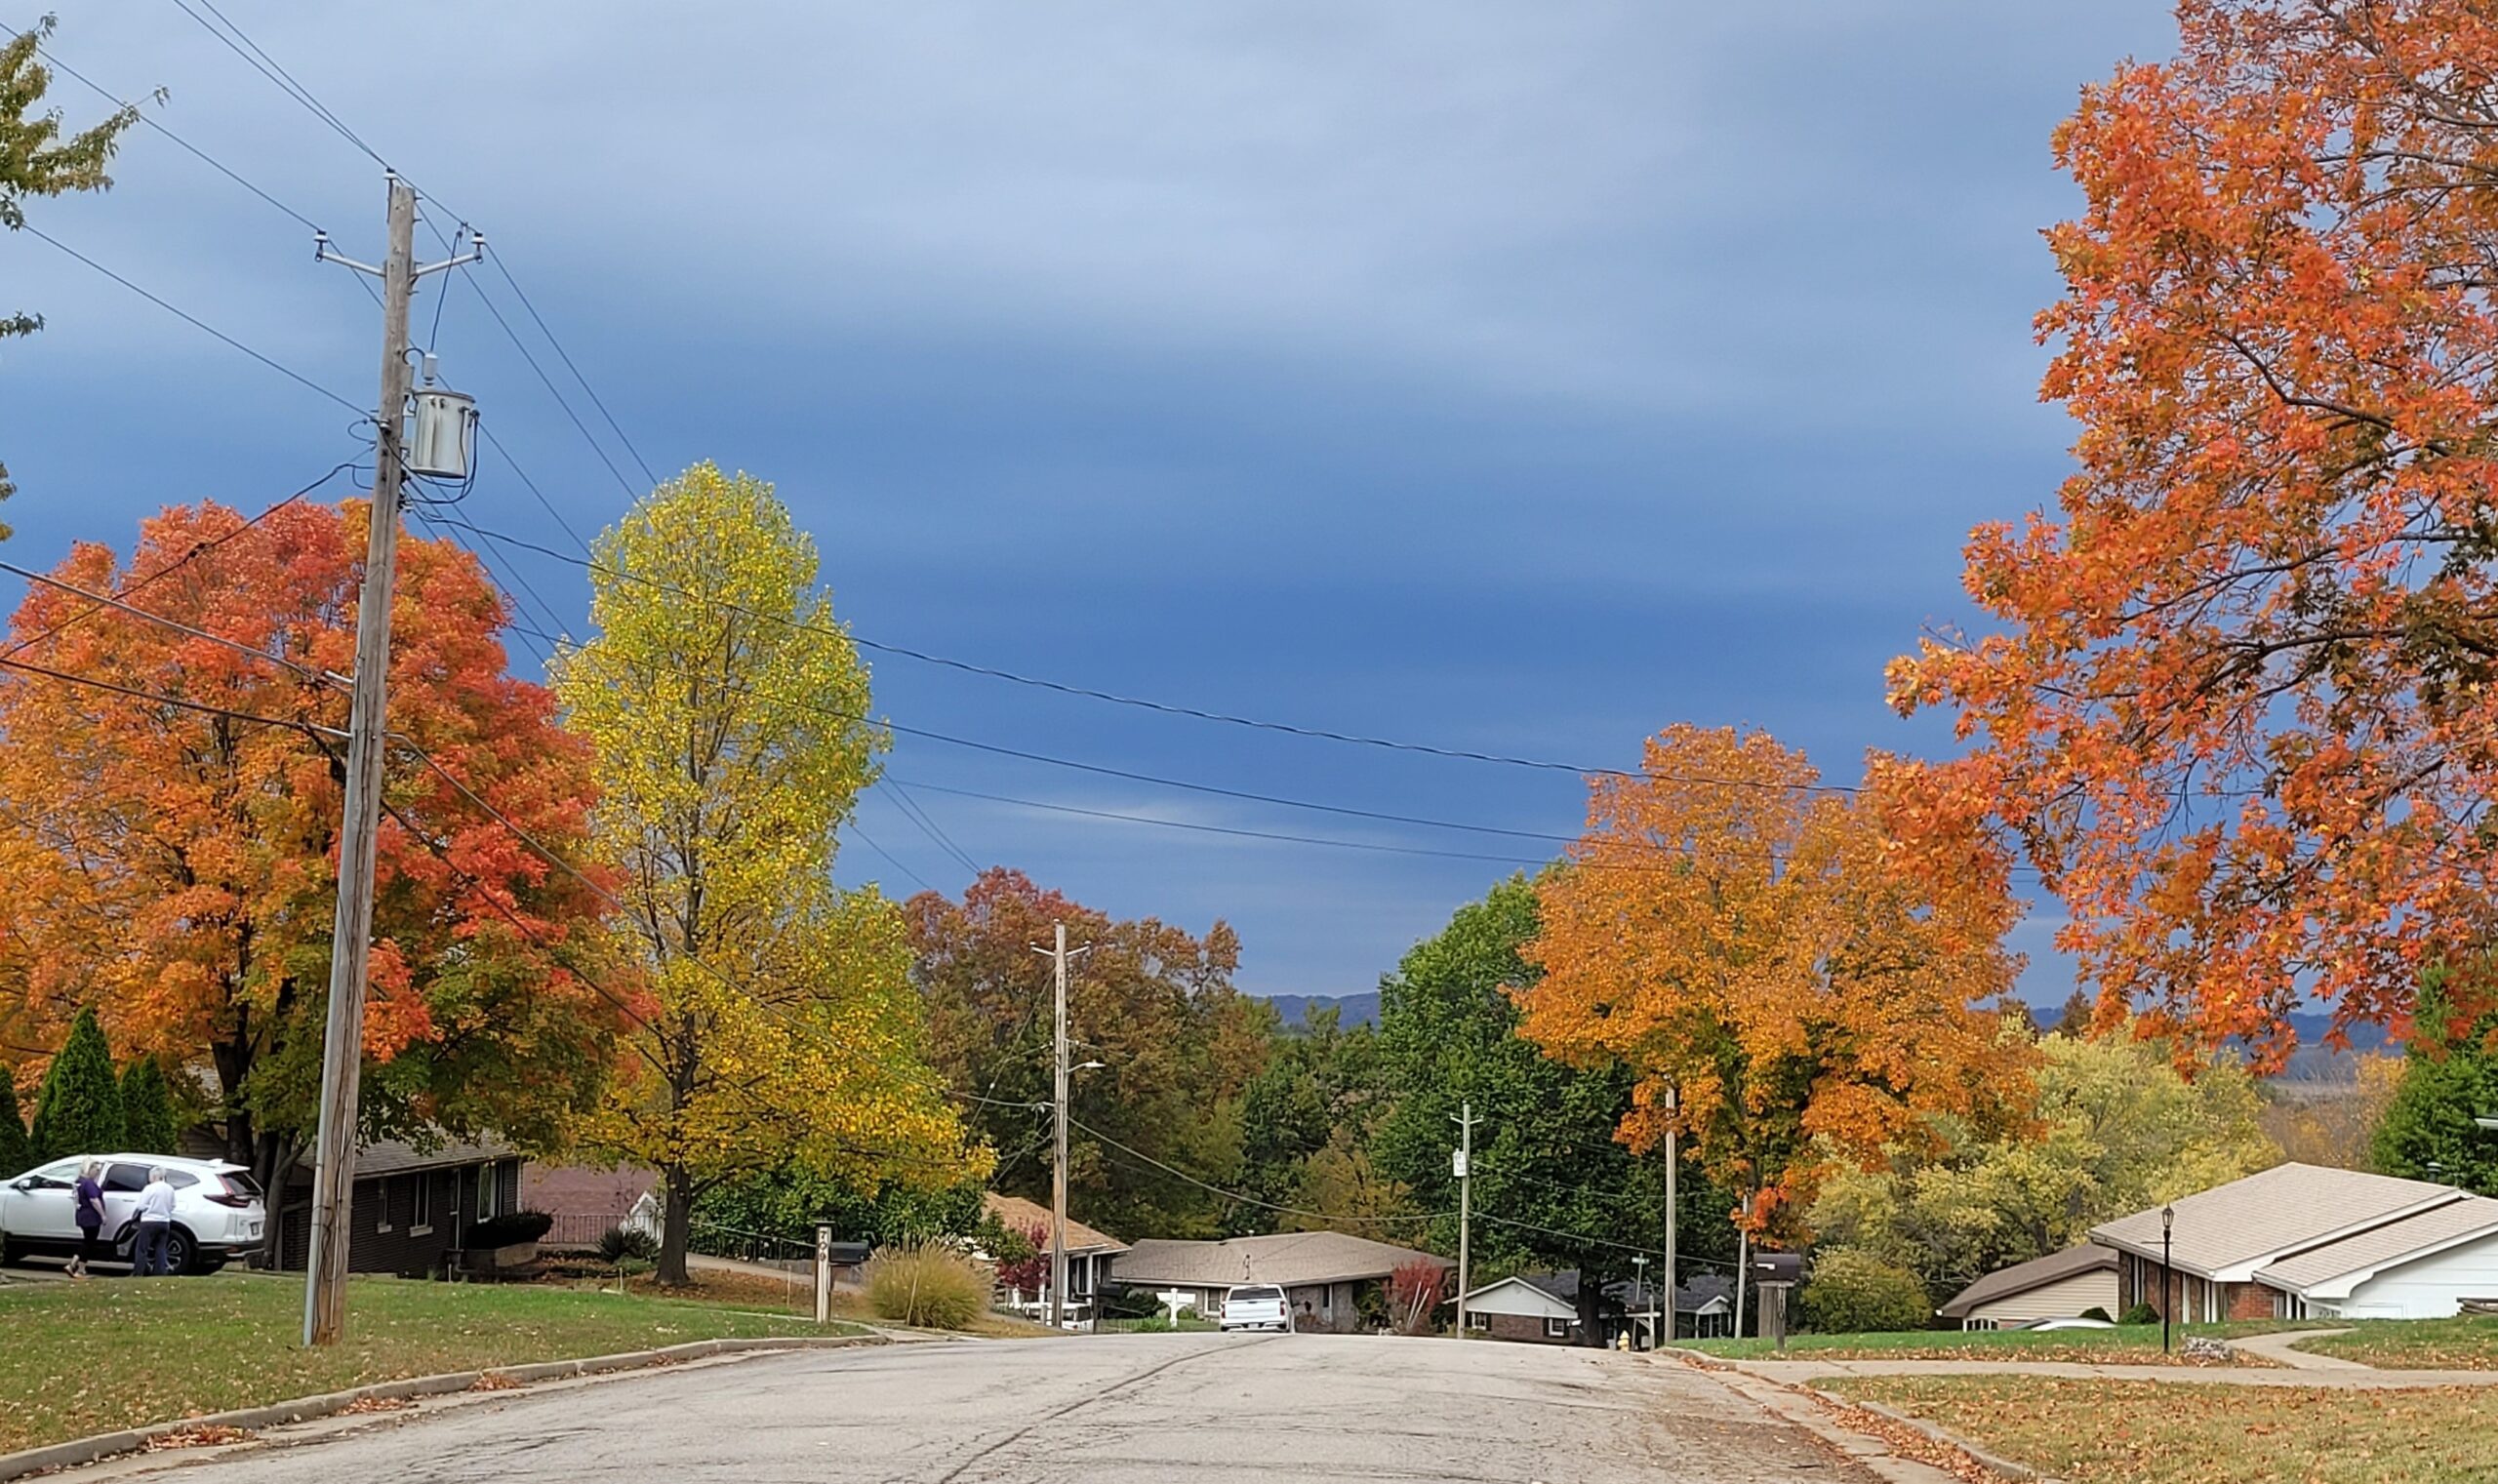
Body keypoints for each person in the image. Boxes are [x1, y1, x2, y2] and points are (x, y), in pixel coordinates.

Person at [132, 1166, 177, 1277]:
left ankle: (138, 1272)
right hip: (164, 1221)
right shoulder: (170, 1188)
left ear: (154, 1176)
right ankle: (160, 1272)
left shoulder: (149, 1188)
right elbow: (173, 1205)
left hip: (149, 1221)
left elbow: (141, 1206)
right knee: (161, 1248)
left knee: (142, 1248)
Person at [68, 1161, 105, 1279]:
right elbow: (94, 1200)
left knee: (87, 1241)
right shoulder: (88, 1183)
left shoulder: (78, 1182)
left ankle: (73, 1264)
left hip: (82, 1214)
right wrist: (103, 1215)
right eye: (96, 1170)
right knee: (89, 1243)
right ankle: (80, 1269)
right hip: (91, 1217)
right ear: (89, 1169)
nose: (98, 1173)